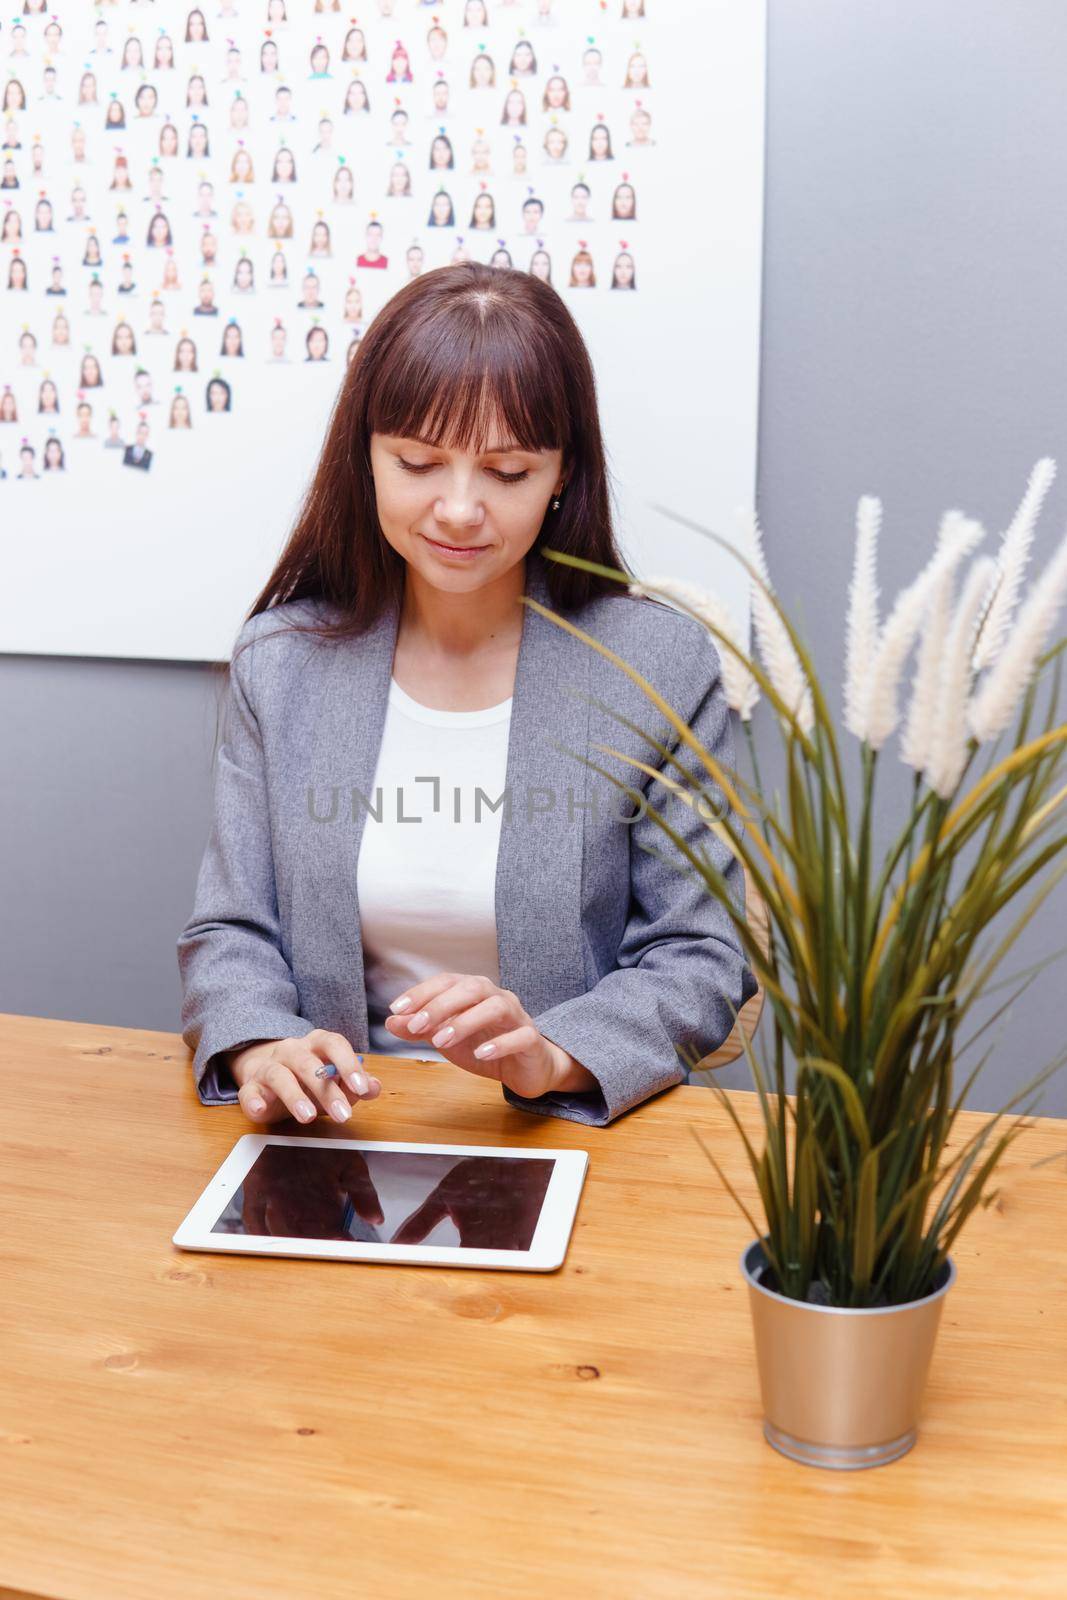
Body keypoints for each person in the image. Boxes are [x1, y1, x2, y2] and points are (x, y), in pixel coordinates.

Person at [177, 261, 755, 1129]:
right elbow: (230, 930)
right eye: (417, 462)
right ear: (365, 458)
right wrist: (263, 1044)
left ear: (563, 474)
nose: (456, 509)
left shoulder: (655, 668)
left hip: (560, 1139)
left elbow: (699, 956)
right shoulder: (282, 660)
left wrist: (550, 1054)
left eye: (507, 472)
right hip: (331, 1143)